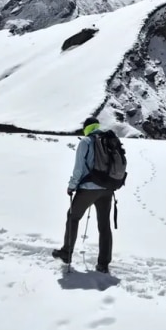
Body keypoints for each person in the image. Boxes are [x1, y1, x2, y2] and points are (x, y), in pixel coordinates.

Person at [52, 117, 116, 273]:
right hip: (107, 189)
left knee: (73, 217)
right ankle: (103, 264)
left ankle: (66, 253)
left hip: (88, 188)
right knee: (104, 226)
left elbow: (79, 169)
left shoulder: (86, 142)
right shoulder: (108, 139)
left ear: (86, 128)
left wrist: (71, 186)